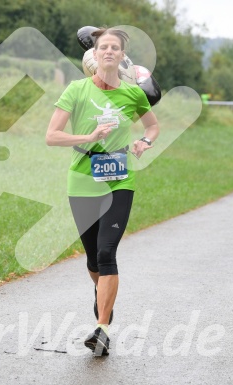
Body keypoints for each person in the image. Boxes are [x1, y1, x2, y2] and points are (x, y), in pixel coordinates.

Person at [46, 27, 159, 356]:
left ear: (122, 56)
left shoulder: (132, 94)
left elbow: (152, 124)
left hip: (119, 180)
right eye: (102, 47)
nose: (108, 52)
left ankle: (103, 327)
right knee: (94, 260)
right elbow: (52, 136)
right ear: (93, 56)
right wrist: (87, 137)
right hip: (81, 180)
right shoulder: (76, 91)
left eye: (115, 48)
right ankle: (105, 301)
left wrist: (144, 141)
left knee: (108, 253)